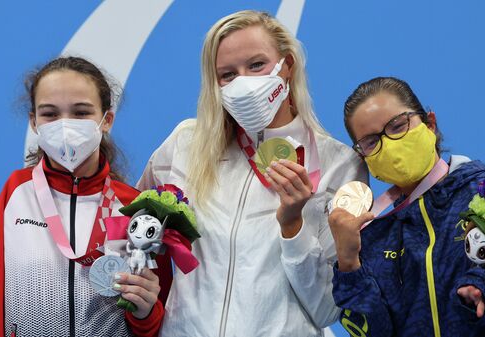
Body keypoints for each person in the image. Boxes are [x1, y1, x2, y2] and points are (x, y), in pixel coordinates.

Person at [136, 10, 368, 336]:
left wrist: (293, 226)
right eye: (228, 74)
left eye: (256, 65)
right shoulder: (185, 145)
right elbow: (131, 234)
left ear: (287, 66)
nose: (243, 82)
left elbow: (326, 308)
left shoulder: (339, 165)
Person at [0, 56, 171, 337]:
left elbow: (162, 323)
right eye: (50, 114)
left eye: (81, 113)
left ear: (106, 119)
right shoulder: (16, 192)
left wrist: (145, 311)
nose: (65, 125)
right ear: (34, 122)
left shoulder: (136, 209)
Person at [329, 76, 485, 336]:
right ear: (363, 156)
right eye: (371, 142)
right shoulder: (374, 237)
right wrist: (348, 263)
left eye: (397, 125)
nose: (389, 144)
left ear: (430, 124)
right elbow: (374, 330)